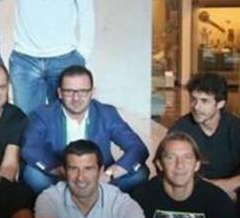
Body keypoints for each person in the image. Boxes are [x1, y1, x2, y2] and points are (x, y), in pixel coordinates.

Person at [21, 65, 149, 194]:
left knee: (140, 173)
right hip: (61, 179)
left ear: (92, 93)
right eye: (69, 91)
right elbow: (30, 148)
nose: (76, 98)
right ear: (60, 93)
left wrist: (109, 174)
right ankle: (58, 207)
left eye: (83, 91)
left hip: (101, 179)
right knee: (33, 174)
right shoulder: (43, 114)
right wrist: (59, 170)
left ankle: (104, 202)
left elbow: (137, 148)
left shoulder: (106, 113)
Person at [169, 72, 240, 213]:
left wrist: (230, 184)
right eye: (193, 99)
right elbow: (168, 167)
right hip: (193, 184)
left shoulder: (237, 127)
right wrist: (209, 187)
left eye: (204, 101)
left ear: (220, 103)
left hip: (231, 182)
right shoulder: (181, 128)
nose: (196, 107)